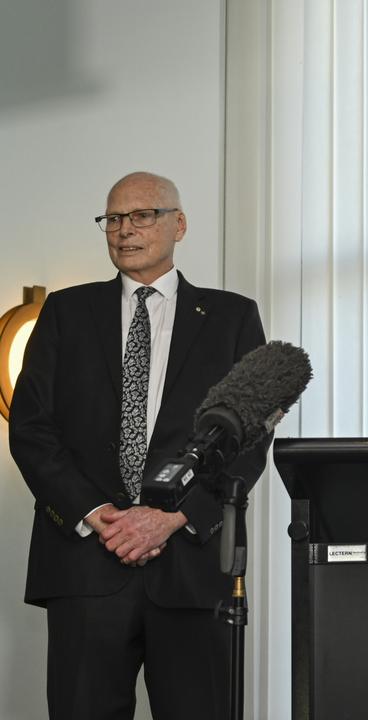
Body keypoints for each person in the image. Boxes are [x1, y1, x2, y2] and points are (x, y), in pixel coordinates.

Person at [8, 172, 268, 719]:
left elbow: (247, 440)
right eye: (114, 218)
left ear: (179, 224)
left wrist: (173, 519)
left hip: (191, 569)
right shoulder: (63, 313)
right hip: (84, 567)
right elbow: (31, 429)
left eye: (142, 215)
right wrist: (97, 512)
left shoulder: (232, 318)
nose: (125, 230)